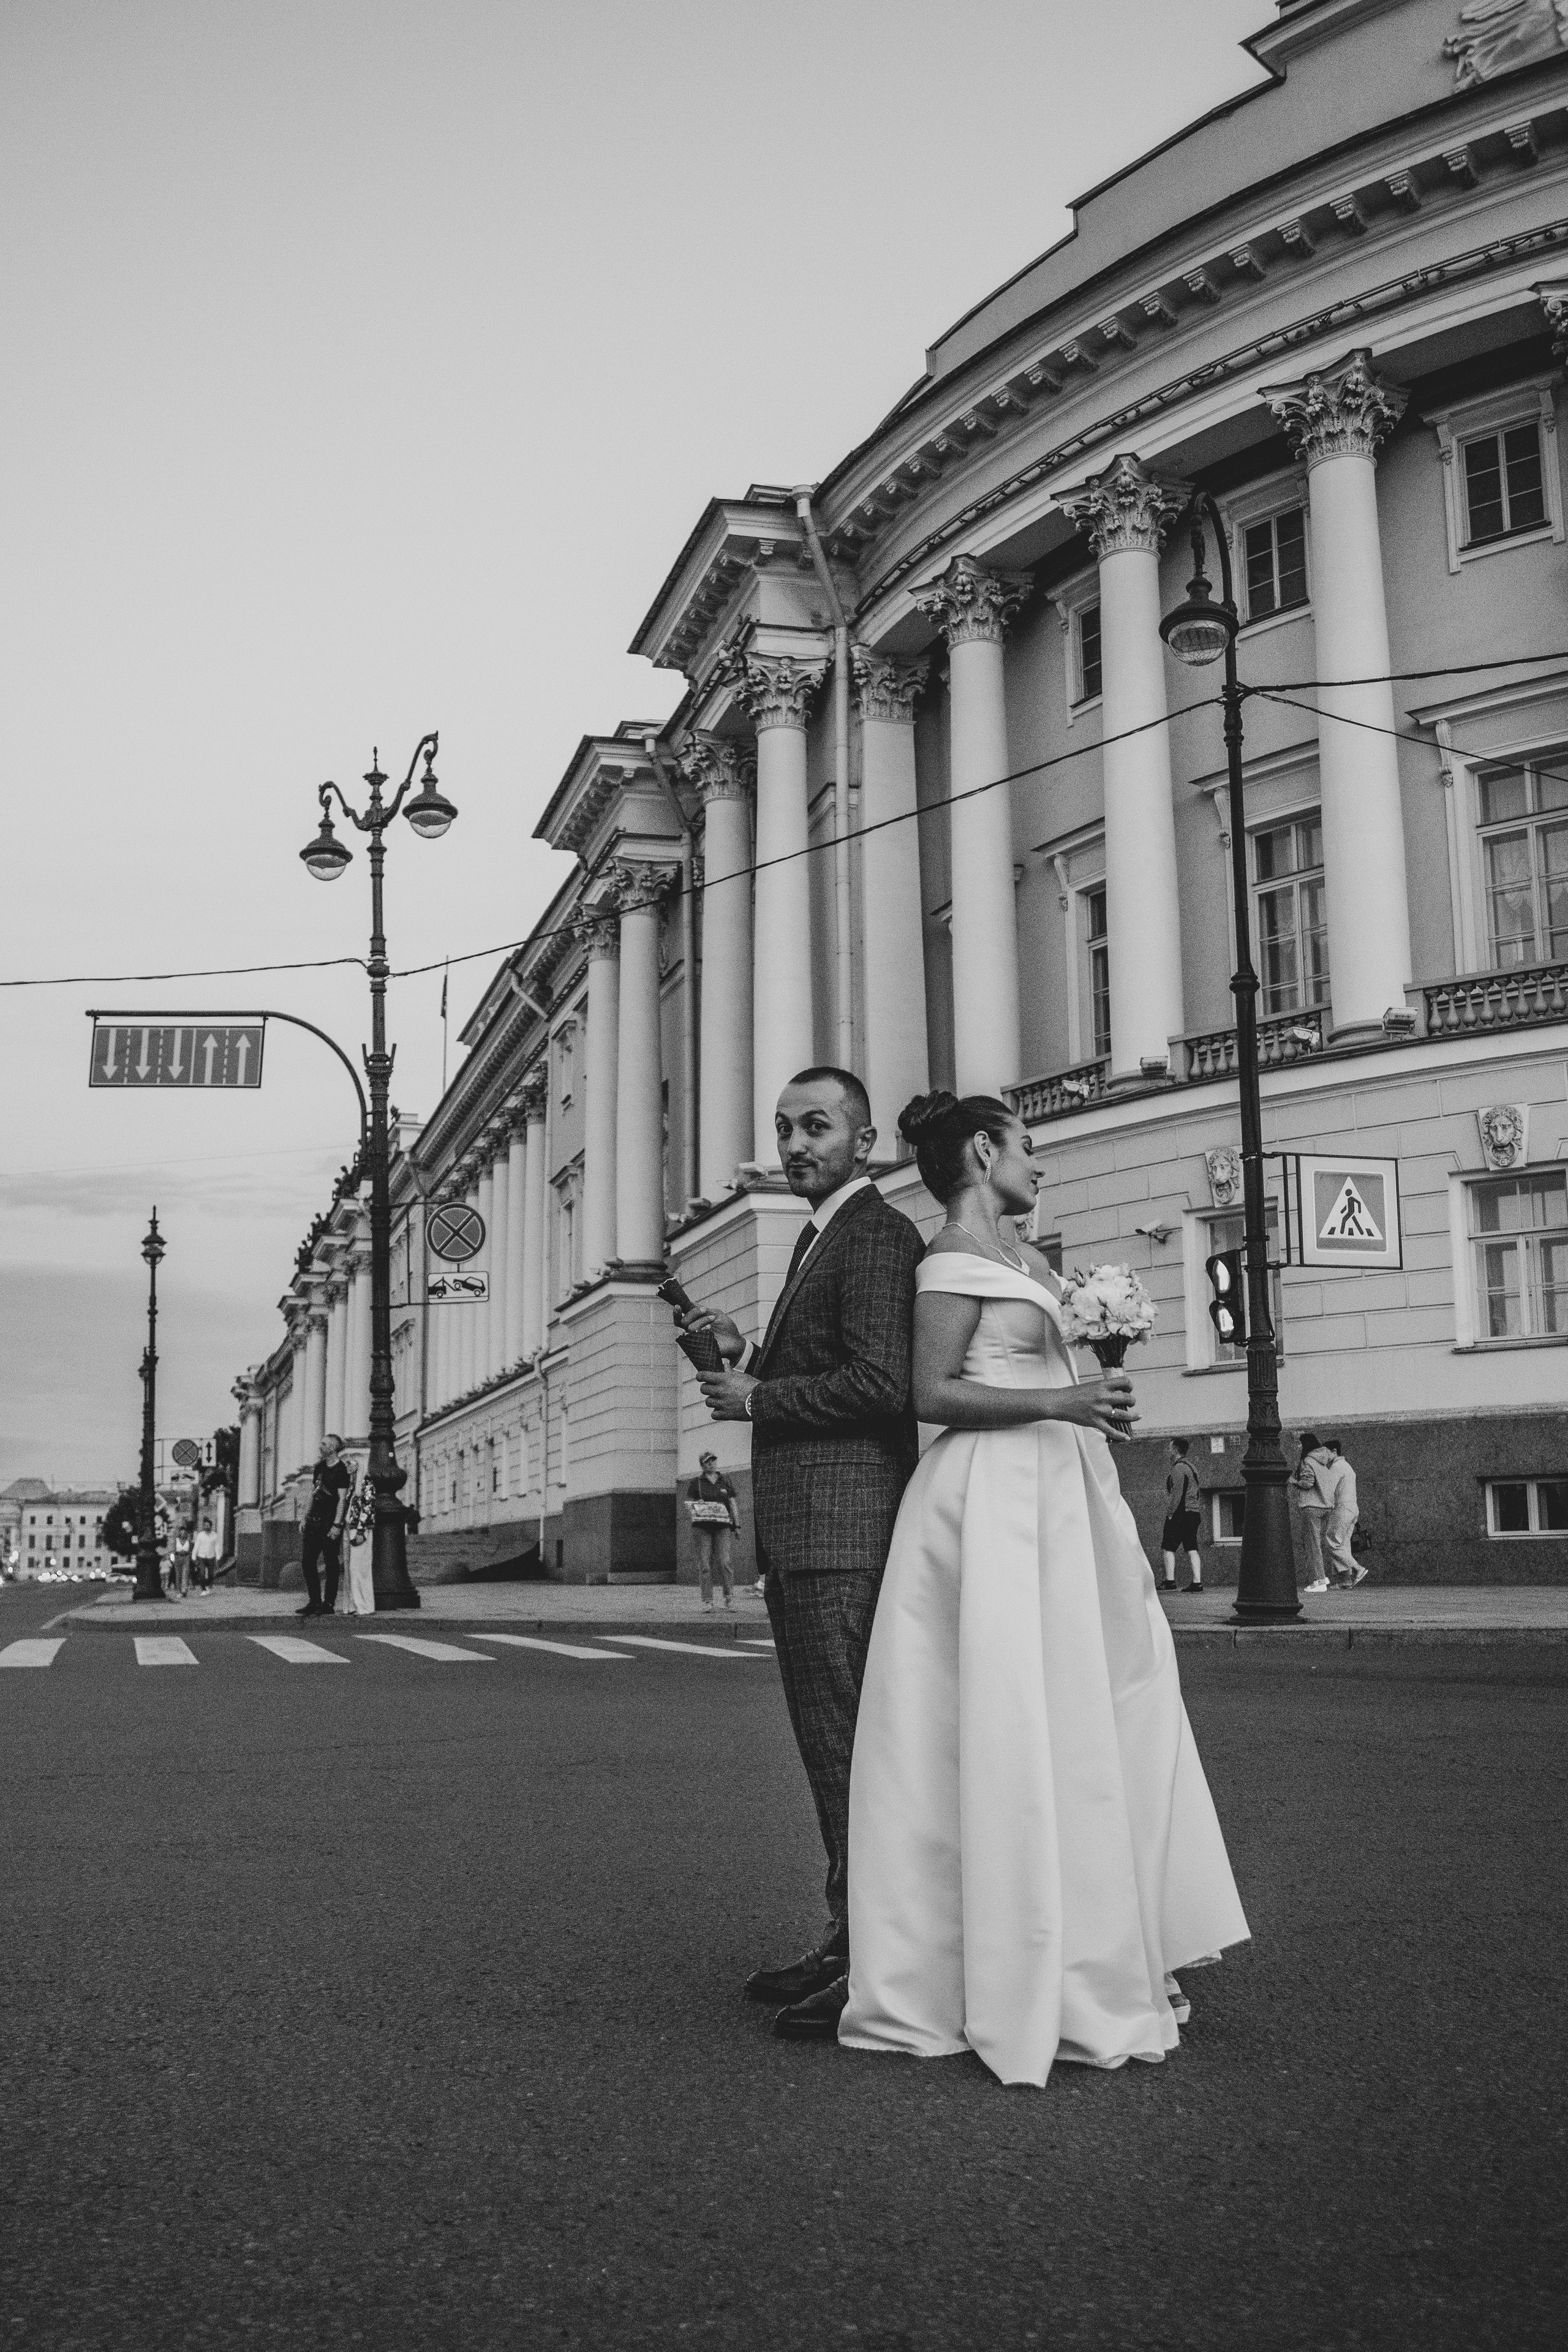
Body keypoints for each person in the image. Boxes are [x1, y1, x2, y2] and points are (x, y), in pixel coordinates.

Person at [839, 1090, 1250, 2089]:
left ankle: (1103, 1942)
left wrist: (1089, 1389)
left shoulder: (1031, 1260)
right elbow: (931, 1393)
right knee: (1008, 1718)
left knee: (1090, 1713)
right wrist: (1064, 1396)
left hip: (1064, 1497)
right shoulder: (948, 1261)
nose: (1042, 1164)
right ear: (983, 1151)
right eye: (1029, 1147)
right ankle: (1009, 1964)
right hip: (990, 1507)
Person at [680, 1066, 924, 2043]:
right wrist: (750, 1357)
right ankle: (847, 1934)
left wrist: (760, 1399)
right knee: (835, 1754)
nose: (795, 1144)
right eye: (784, 1128)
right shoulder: (821, 1235)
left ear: (864, 1141)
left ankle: (877, 1961)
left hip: (844, 1532)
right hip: (813, 1531)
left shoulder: (874, 1236)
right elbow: (830, 1365)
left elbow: (882, 1381)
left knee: (854, 1755)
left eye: (817, 1126)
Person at [298, 1433, 352, 1619]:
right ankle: (314, 1601)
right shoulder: (319, 1468)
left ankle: (328, 1603)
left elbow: (342, 1500)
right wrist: (306, 1517)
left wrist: (338, 1524)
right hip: (314, 1520)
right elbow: (315, 1493)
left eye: (324, 1444)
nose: (320, 1447)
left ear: (333, 1448)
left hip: (330, 1521)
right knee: (307, 1561)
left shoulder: (342, 1470)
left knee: (331, 1563)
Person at [686, 1449, 741, 1613]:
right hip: (703, 1528)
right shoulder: (697, 1482)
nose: (712, 1464)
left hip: (723, 1527)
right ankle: (708, 1601)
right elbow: (690, 1505)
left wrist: (737, 1526)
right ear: (702, 1465)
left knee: (725, 1562)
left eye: (713, 1461)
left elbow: (733, 1503)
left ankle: (729, 1598)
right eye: (708, 1462)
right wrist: (699, 1506)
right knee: (705, 1564)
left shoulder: (725, 1480)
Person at [1289, 1431, 1336, 1591]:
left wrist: (1293, 1481)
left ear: (1306, 1444)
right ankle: (1323, 1578)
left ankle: (1318, 1581)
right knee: (1319, 1544)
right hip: (1326, 1507)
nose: (1298, 1446)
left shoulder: (1308, 1460)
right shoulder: (1323, 1461)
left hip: (1312, 1507)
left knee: (1312, 1545)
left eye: (1300, 1443)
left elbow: (1308, 1483)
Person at [1160, 1438, 1205, 1594]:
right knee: (1191, 1547)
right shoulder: (1191, 1467)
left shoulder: (1178, 1468)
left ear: (1175, 1450)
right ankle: (1197, 1582)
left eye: (1170, 1447)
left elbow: (1177, 1493)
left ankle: (1170, 1581)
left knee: (1167, 1547)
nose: (1168, 1450)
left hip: (1181, 1513)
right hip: (1194, 1513)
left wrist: (1171, 1514)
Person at [1322, 1438, 1364, 1587]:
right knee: (1344, 1544)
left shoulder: (1336, 1467)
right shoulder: (1348, 1467)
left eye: (1327, 1453)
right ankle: (1346, 1580)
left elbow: (1329, 1489)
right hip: (1352, 1509)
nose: (1325, 1457)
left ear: (1334, 1452)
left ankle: (1358, 1569)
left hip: (1342, 1508)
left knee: (1332, 1541)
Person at [191, 1517, 220, 1593]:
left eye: (208, 1525)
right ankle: (203, 1589)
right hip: (202, 1557)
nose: (206, 1527)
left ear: (211, 1526)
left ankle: (208, 1586)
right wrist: (194, 1557)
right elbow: (196, 1546)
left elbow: (217, 1546)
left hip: (211, 1557)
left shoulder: (215, 1535)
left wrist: (218, 1557)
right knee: (202, 1573)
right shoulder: (200, 1535)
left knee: (211, 1574)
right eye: (205, 1525)